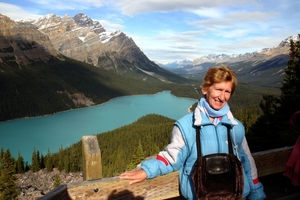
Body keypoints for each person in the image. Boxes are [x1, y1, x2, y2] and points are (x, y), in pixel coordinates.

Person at [120, 65, 266, 199]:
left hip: (232, 195)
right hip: (200, 195)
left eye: (227, 91)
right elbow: (171, 157)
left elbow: (248, 162)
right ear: (205, 89)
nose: (222, 97)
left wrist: (257, 193)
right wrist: (147, 171)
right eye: (218, 89)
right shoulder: (186, 126)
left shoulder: (236, 127)